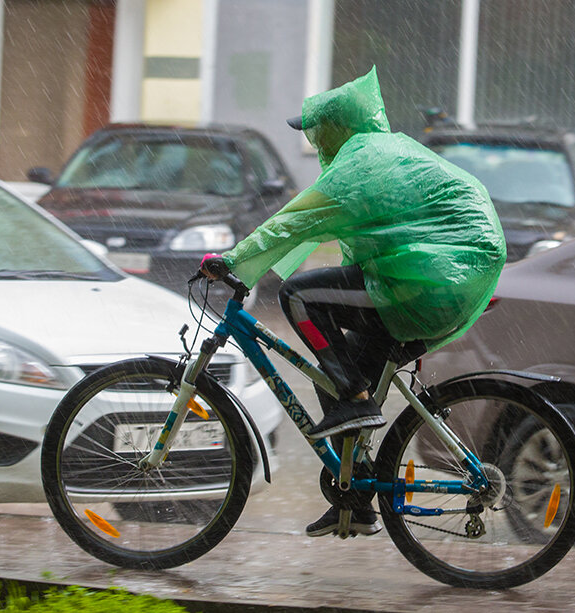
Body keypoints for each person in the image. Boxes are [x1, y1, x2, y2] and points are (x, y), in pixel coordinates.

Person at [200, 67, 506, 537]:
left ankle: (359, 400)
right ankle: (357, 499)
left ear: (335, 128)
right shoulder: (385, 151)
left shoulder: (362, 161)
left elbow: (291, 222)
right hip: (446, 275)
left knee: (298, 295)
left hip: (432, 275)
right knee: (332, 374)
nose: (317, 141)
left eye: (318, 131)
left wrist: (233, 259)